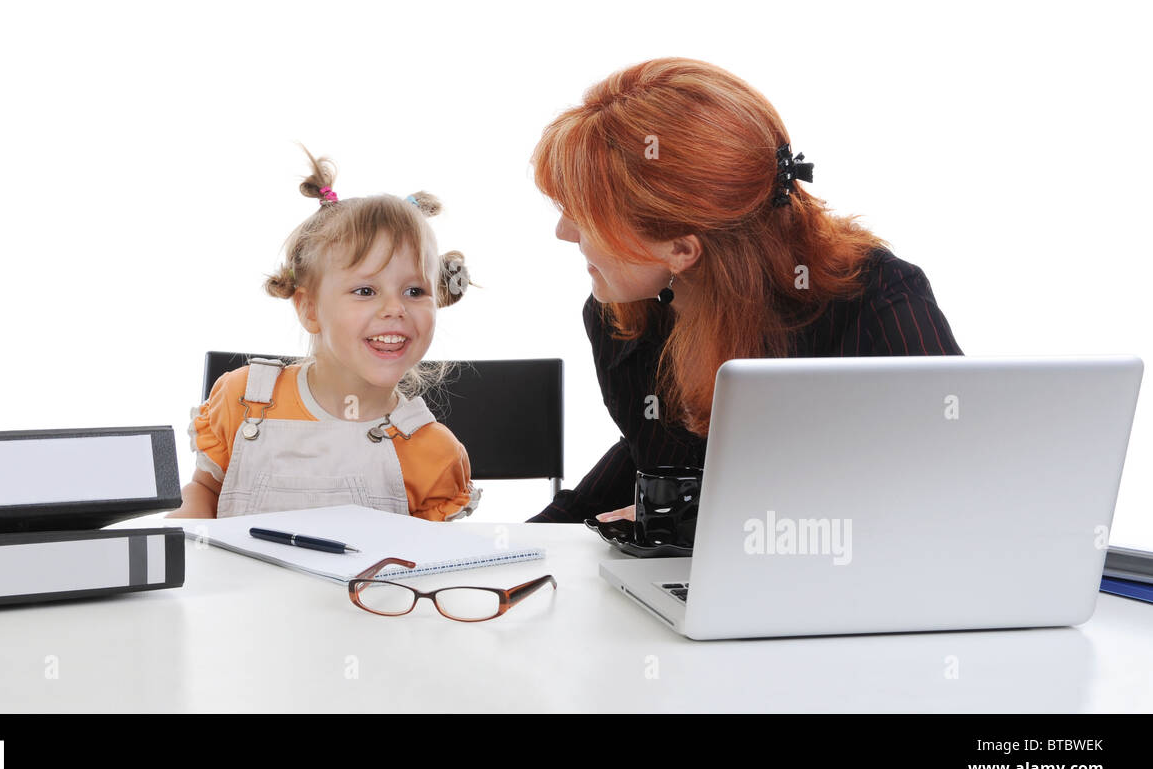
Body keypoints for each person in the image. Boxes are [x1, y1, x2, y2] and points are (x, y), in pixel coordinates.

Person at [527, 58, 962, 523]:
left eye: (584, 216)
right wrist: (518, 547)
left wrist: (691, 522)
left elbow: (954, 480)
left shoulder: (873, 298)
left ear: (681, 248)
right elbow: (649, 454)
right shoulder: (620, 316)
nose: (563, 232)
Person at [169, 149, 480, 520]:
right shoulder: (244, 399)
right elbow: (203, 489)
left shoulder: (434, 452)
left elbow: (429, 569)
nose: (395, 308)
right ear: (309, 308)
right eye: (365, 291)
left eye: (415, 291)